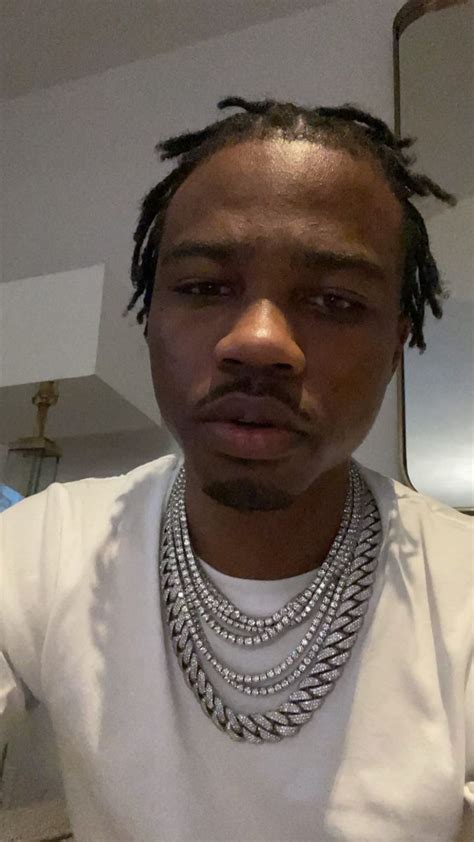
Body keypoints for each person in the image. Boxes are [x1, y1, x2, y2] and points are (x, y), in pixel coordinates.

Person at [1, 98, 472, 842]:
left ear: (394, 347)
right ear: (150, 317)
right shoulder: (40, 546)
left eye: (333, 300)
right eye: (203, 287)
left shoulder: (463, 586)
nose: (258, 341)